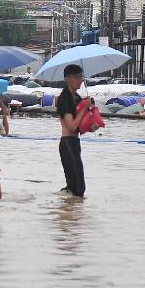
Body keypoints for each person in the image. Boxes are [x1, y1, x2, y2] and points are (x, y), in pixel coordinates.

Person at [57, 64, 93, 197]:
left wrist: (91, 127)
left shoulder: (77, 98)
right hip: (67, 143)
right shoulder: (64, 99)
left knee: (75, 186)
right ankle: (68, 210)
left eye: (81, 77)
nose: (81, 80)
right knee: (78, 188)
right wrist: (84, 108)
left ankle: (69, 210)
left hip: (75, 143)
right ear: (68, 79)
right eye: (77, 77)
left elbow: (79, 126)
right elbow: (71, 126)